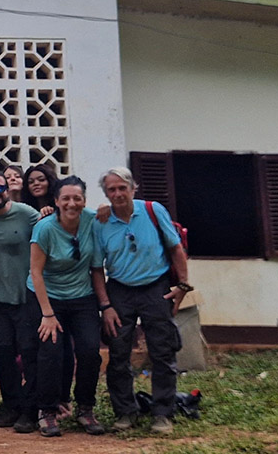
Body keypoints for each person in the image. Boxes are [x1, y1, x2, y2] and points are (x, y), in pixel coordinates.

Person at [98, 167, 191, 434]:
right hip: (119, 290)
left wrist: (183, 285)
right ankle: (125, 412)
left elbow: (175, 248)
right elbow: (96, 267)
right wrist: (106, 305)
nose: (117, 194)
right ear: (106, 193)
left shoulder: (152, 210)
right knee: (118, 354)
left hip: (156, 287)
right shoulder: (101, 221)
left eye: (122, 188)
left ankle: (163, 414)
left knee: (163, 352)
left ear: (133, 188)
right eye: (111, 190)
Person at [24, 176, 106, 437]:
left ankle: (85, 407)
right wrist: (47, 314)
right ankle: (47, 410)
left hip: (82, 297)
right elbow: (35, 272)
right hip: (47, 296)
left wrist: (105, 304)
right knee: (51, 352)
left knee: (90, 350)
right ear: (56, 201)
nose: (72, 203)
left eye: (77, 198)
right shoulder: (45, 228)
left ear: (84, 200)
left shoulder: (92, 221)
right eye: (66, 198)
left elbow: (96, 267)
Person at [0, 170, 39, 432]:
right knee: (1, 354)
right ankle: (11, 405)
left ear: (8, 188)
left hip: (26, 297)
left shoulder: (27, 214)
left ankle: (31, 409)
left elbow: (52, 231)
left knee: (30, 353)